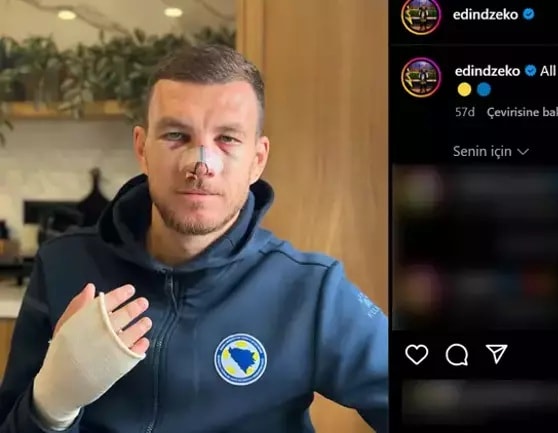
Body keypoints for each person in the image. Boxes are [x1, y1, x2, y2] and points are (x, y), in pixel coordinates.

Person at [0, 44, 388, 433]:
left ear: (257, 159)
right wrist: (51, 404)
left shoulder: (312, 292)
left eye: (227, 139)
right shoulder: (63, 266)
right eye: (176, 135)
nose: (201, 165)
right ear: (142, 149)